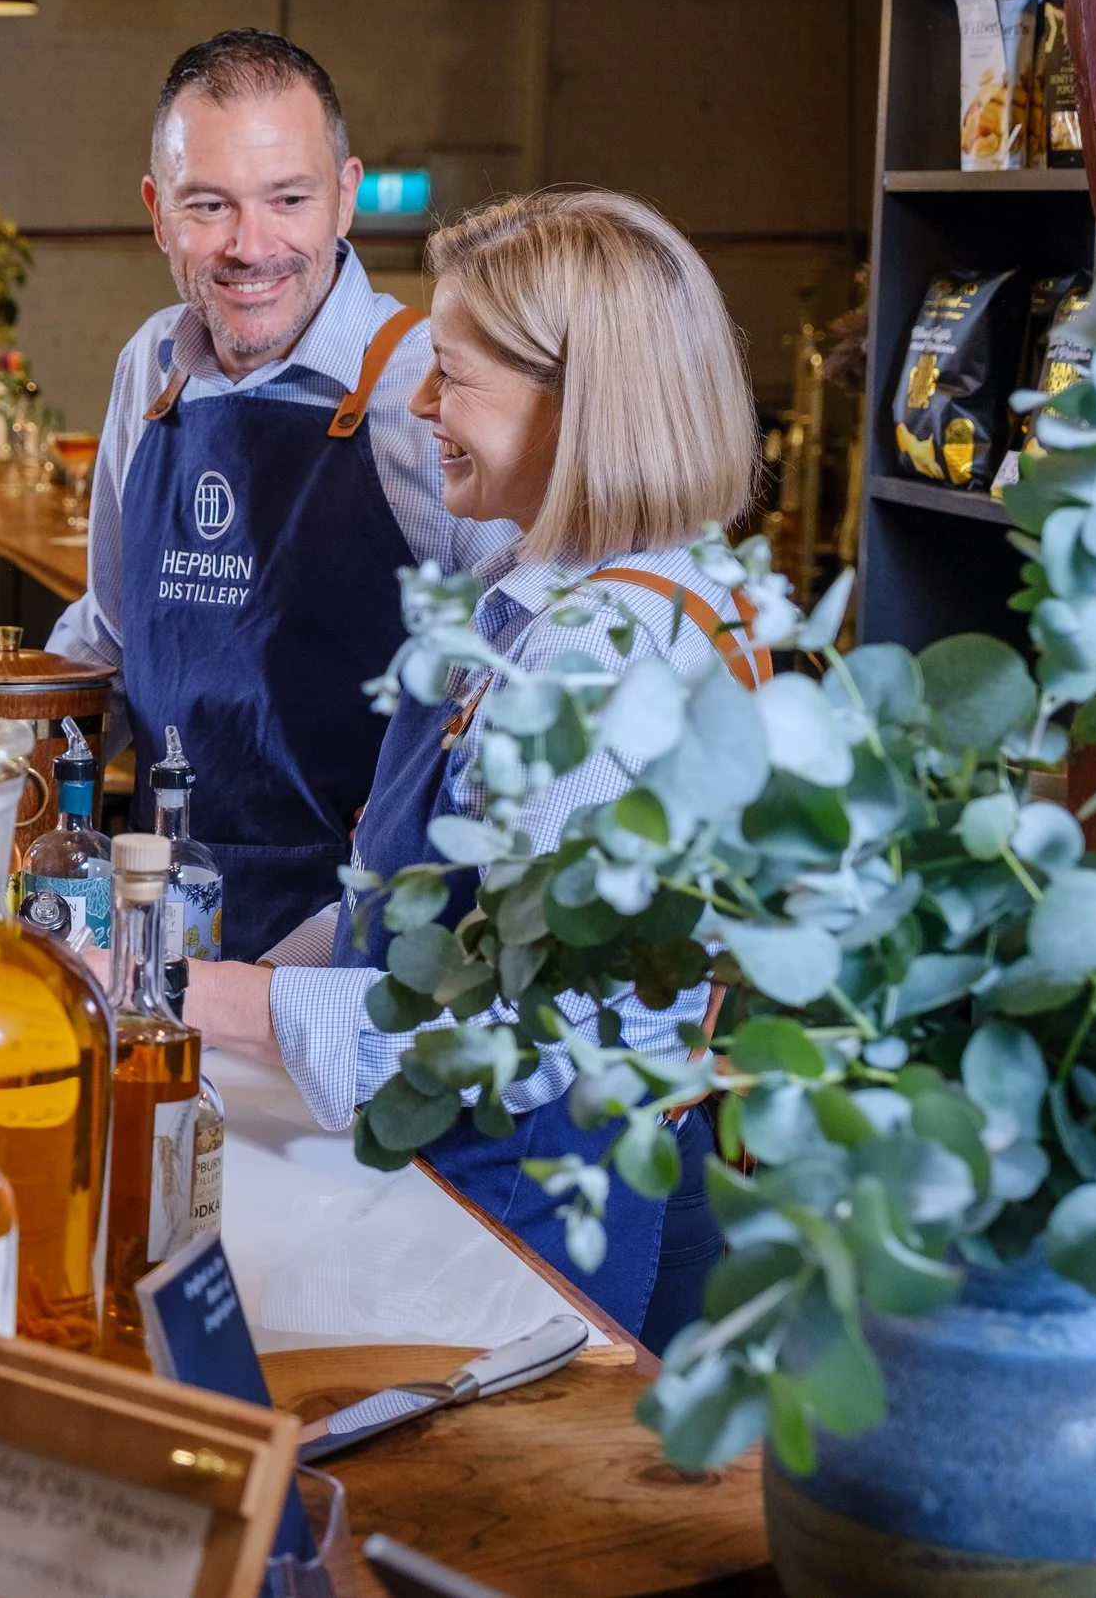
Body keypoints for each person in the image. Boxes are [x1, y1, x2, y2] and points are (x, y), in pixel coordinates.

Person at [182, 188, 758, 1350]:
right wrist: (236, 975)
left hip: (521, 1215)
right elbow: (400, 901)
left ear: (580, 403)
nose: (422, 403)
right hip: (453, 1181)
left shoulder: (599, 664)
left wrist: (171, 995)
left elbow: (505, 1027)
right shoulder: (540, 601)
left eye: (453, 375)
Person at [46, 29, 512, 962]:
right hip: (154, 917)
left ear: (344, 196)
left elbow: (508, 682)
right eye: (209, 204)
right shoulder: (151, 366)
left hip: (357, 945)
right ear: (158, 212)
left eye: (288, 199)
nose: (250, 246)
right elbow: (111, 628)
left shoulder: (429, 385)